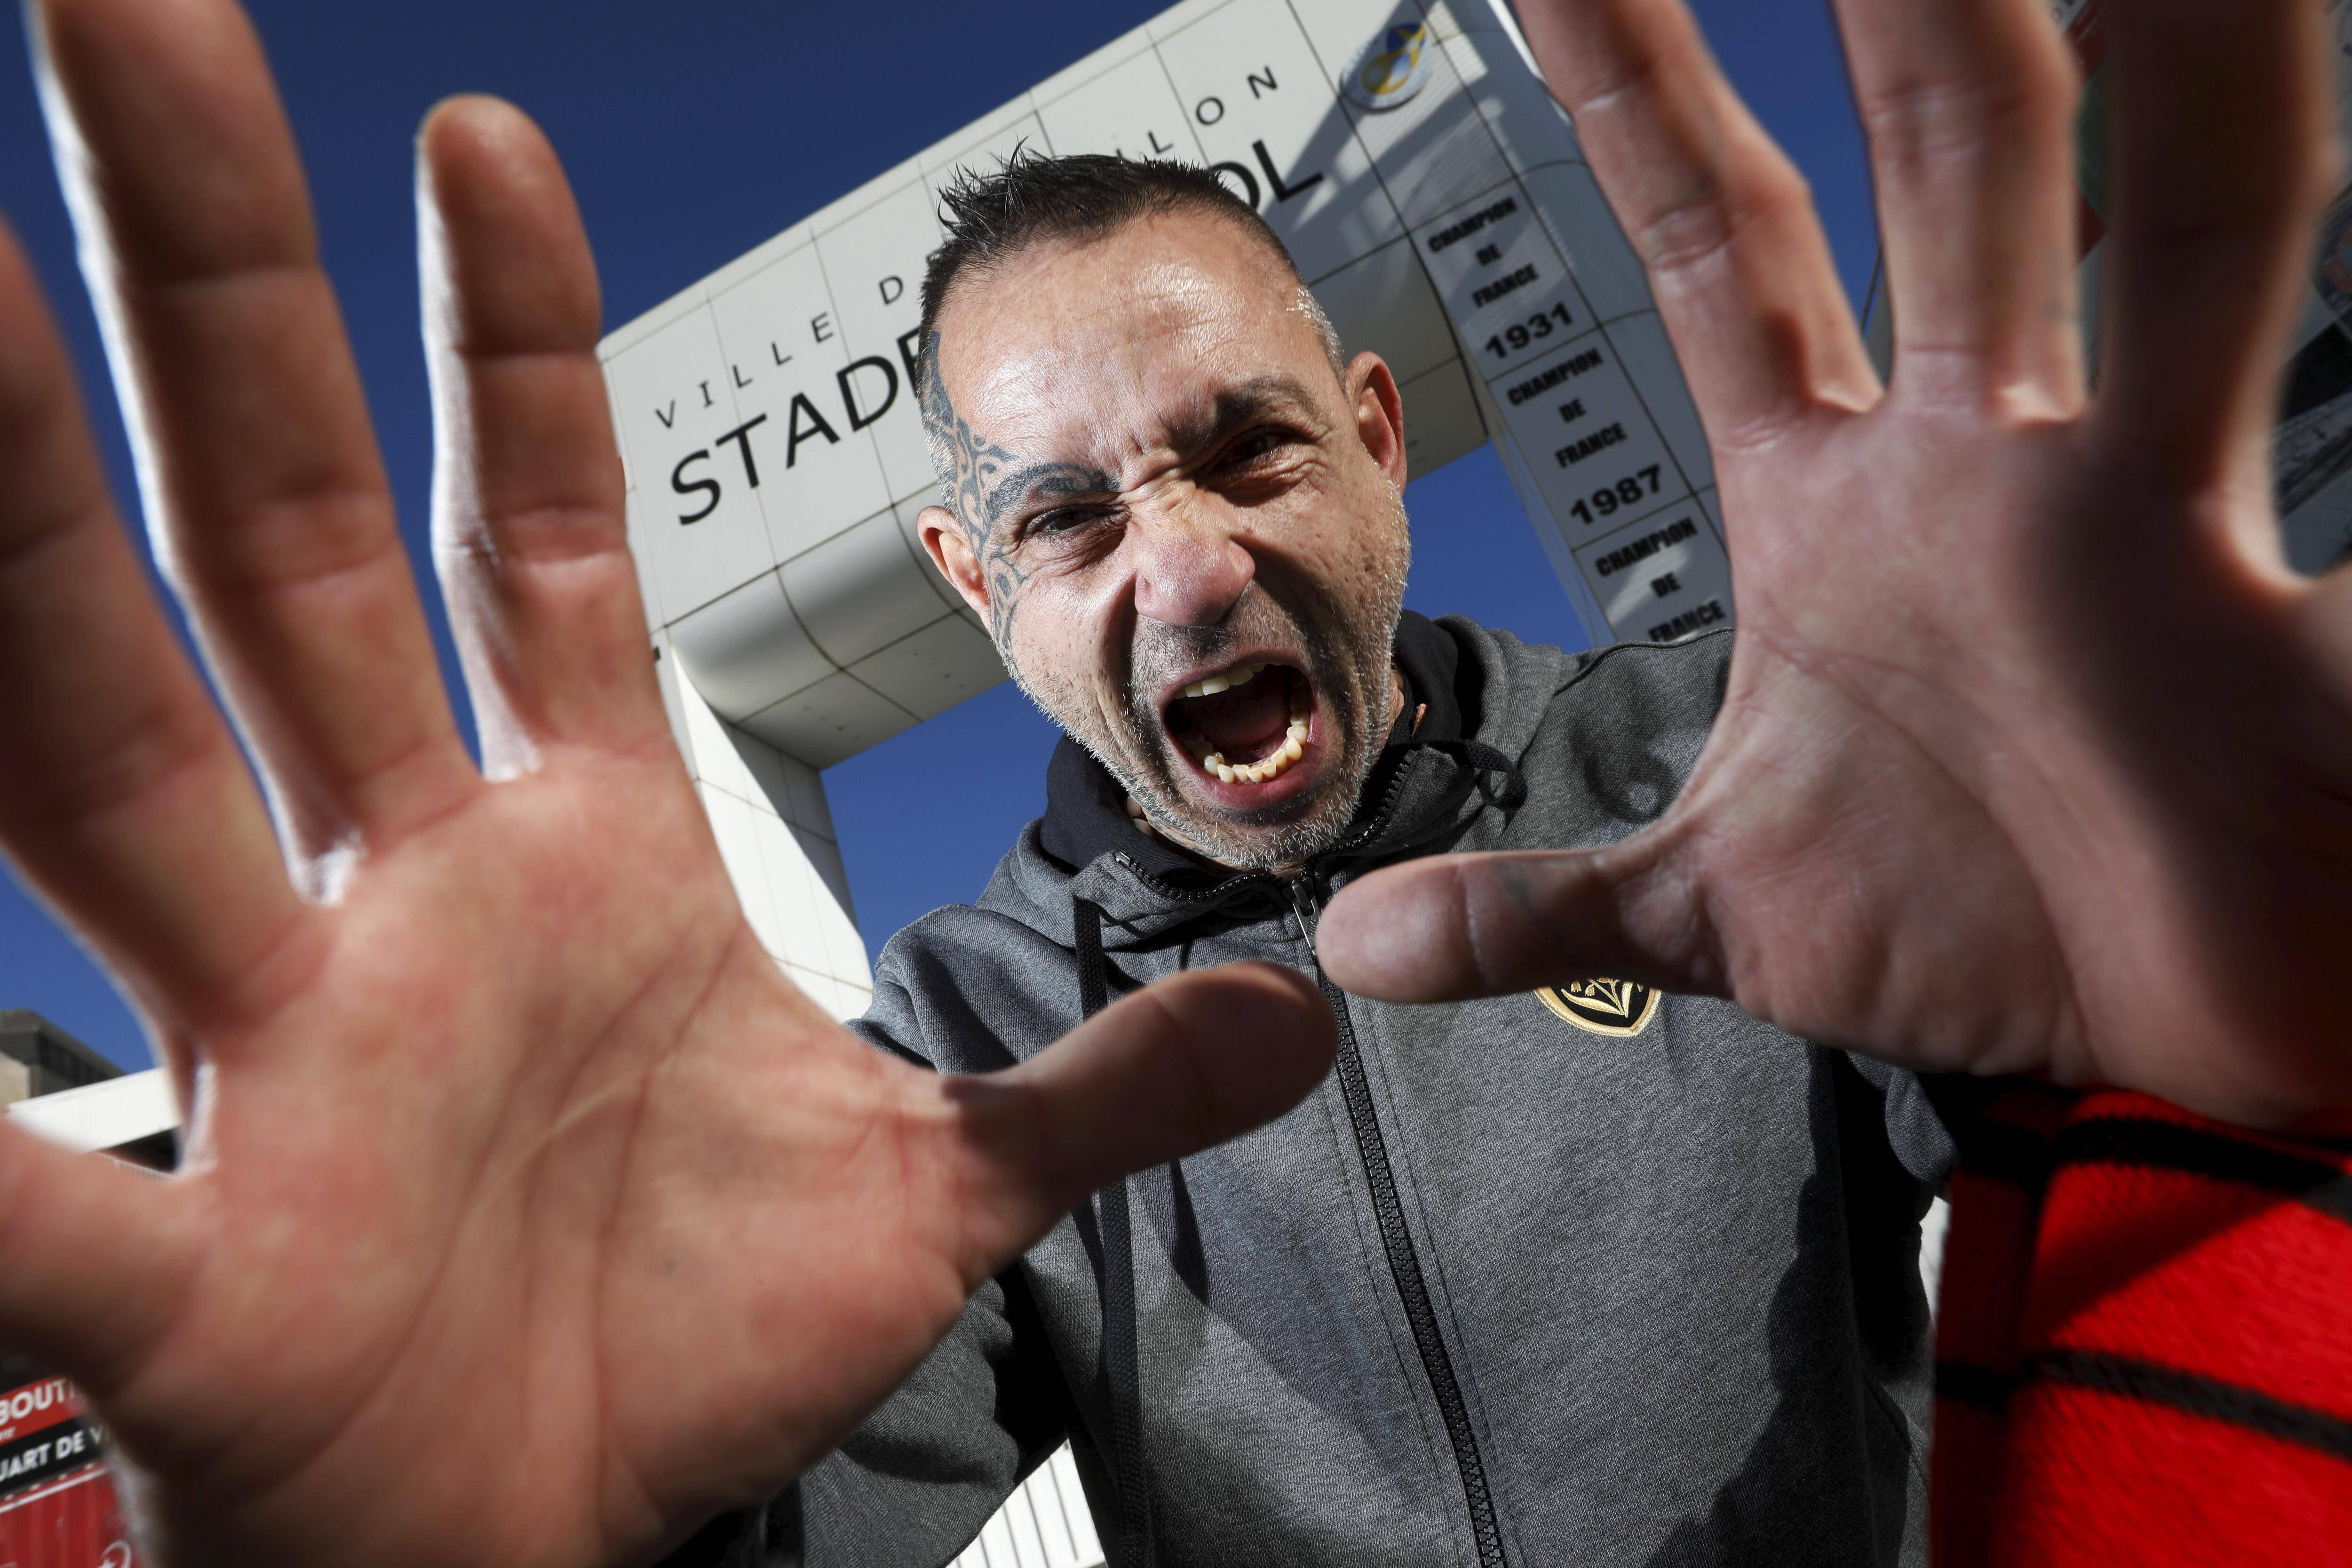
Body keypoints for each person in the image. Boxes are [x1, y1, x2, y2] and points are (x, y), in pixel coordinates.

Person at [0, 3, 2341, 1568]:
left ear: (1379, 438)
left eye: (1243, 454)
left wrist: (2176, 923)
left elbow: (2137, 1175)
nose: (1192, 574)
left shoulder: (1709, 785)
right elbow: (770, 1488)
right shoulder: (959, 1054)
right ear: (968, 582)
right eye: (1071, 520)